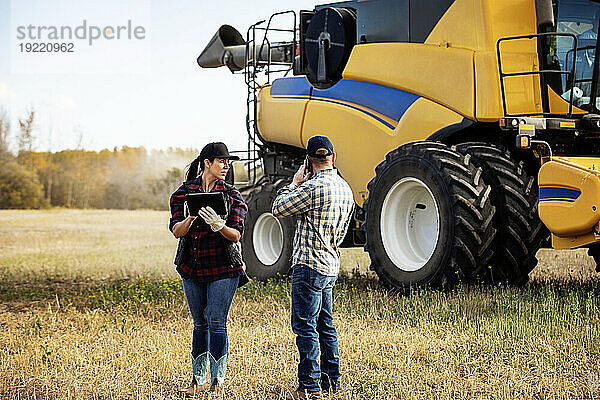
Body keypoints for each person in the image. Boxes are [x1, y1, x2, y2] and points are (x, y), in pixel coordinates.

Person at [272, 135, 354, 399]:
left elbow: (278, 207)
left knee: (305, 326)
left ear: (308, 160)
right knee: (326, 325)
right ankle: (333, 382)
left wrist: (294, 183)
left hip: (308, 265)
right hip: (330, 263)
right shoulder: (345, 188)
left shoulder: (313, 187)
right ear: (334, 156)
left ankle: (309, 385)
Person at [169, 142, 248, 396]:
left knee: (216, 319)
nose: (226, 166)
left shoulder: (232, 196)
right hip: (191, 267)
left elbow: (236, 235)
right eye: (222, 161)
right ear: (207, 163)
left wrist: (218, 225)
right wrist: (190, 218)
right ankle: (197, 380)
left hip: (224, 268)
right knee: (199, 322)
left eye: (228, 162)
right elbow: (176, 232)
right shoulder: (182, 195)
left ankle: (217, 381)